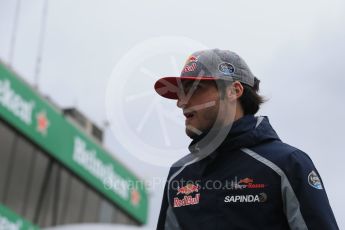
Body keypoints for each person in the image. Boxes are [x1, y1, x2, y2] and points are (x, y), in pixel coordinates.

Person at [154, 49, 339, 230]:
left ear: (234, 91)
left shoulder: (287, 163)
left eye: (195, 89)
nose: (181, 102)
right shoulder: (179, 175)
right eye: (180, 93)